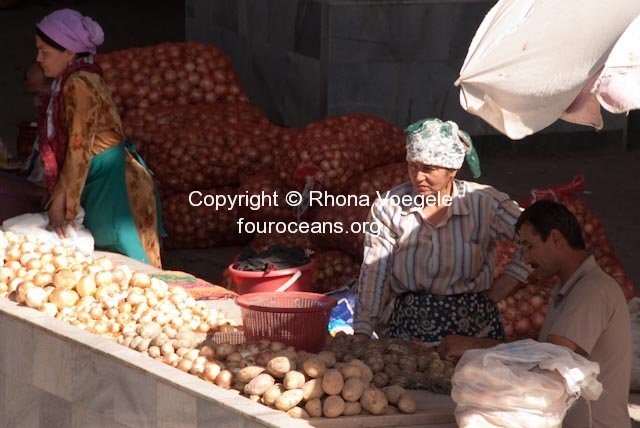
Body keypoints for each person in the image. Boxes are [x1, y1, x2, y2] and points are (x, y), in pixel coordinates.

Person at [438, 200, 631, 428]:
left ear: (556, 239)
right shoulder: (567, 287)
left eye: (529, 246)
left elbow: (550, 358)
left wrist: (476, 346)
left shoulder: (592, 290)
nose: (526, 259)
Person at [353, 118, 531, 343]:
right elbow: (375, 271)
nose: (418, 177)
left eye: (429, 169)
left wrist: (511, 278)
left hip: (472, 330)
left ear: (452, 170)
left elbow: (536, 233)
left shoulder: (484, 203)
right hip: (409, 329)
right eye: (413, 166)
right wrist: (363, 329)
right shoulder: (389, 207)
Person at [35, 9, 164, 267]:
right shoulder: (71, 80)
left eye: (45, 52)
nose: (38, 59)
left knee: (132, 266)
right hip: (101, 179)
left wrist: (62, 202)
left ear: (69, 53)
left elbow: (78, 148)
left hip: (115, 185)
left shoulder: (79, 84)